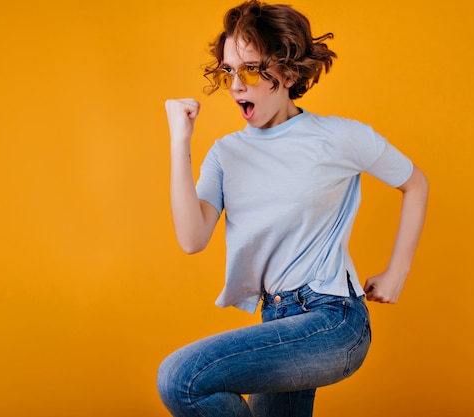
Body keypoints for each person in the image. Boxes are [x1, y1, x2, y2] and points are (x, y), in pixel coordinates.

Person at [157, 1, 428, 416]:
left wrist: (397, 272)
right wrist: (180, 142)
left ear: (285, 71)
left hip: (333, 320)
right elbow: (192, 239)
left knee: (182, 378)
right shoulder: (225, 154)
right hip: (276, 318)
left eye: (250, 69)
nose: (235, 86)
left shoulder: (337, 137)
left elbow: (415, 183)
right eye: (228, 71)